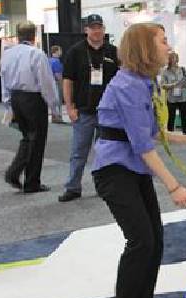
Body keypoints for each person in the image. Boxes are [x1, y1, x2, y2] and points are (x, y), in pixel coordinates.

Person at [92, 23, 186, 298]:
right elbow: (143, 146)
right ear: (145, 47)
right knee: (141, 239)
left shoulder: (144, 82)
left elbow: (150, 132)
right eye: (162, 40)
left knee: (154, 239)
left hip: (133, 170)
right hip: (114, 171)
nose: (168, 45)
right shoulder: (128, 85)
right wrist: (174, 185)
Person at [59, 14, 119, 202]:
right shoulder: (75, 52)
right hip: (83, 111)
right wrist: (69, 107)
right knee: (79, 152)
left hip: (108, 113)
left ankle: (104, 187)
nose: (96, 30)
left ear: (103, 29)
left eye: (99, 27)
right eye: (92, 27)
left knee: (105, 152)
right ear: (86, 30)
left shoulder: (113, 52)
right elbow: (67, 81)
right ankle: (73, 187)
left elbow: (121, 82)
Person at [0, 22, 59, 194]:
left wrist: (8, 102)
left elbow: (4, 80)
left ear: (18, 35)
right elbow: (46, 83)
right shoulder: (37, 54)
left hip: (16, 98)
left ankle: (14, 172)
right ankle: (32, 182)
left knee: (27, 137)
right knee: (37, 140)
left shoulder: (7, 54)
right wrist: (54, 106)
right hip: (33, 100)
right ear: (34, 36)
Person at [161, 51, 186, 135]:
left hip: (182, 96)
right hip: (171, 98)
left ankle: (185, 133)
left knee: (183, 117)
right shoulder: (165, 71)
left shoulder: (182, 69)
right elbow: (163, 85)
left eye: (174, 57)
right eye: (171, 58)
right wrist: (174, 85)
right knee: (171, 117)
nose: (173, 59)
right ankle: (170, 134)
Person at [49, 45, 64, 123]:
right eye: (60, 50)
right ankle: (58, 117)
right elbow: (58, 75)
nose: (61, 52)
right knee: (58, 100)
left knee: (53, 100)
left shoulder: (49, 60)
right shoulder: (56, 61)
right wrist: (62, 85)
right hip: (56, 83)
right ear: (56, 51)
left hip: (49, 83)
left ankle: (54, 116)